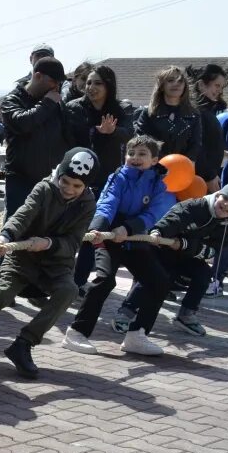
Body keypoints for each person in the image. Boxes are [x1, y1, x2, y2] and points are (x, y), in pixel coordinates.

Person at [0, 148, 98, 379]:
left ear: (86, 187)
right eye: (66, 181)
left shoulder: (88, 203)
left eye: (77, 186)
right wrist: (6, 236)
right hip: (23, 259)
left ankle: (24, 344)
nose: (69, 190)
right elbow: (24, 214)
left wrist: (48, 243)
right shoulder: (43, 189)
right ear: (59, 174)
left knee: (68, 290)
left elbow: (73, 242)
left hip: (56, 264)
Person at [63, 135, 174, 356]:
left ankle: (137, 335)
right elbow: (107, 202)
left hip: (134, 237)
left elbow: (156, 212)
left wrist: (130, 228)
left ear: (154, 160)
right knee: (105, 280)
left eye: (142, 154)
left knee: (159, 281)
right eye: (131, 153)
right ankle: (76, 332)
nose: (135, 158)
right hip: (109, 234)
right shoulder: (118, 177)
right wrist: (99, 228)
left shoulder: (159, 184)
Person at [143, 177, 228, 336]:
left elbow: (213, 252)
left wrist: (186, 245)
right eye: (226, 198)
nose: (227, 204)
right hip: (163, 252)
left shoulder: (226, 226)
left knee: (203, 274)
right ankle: (127, 311)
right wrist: (158, 232)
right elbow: (175, 218)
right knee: (158, 278)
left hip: (188, 256)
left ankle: (186, 314)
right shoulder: (195, 206)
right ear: (218, 194)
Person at [64, 65, 133, 291]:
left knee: (94, 230)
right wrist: (96, 133)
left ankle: (79, 281)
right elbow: (70, 139)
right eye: (89, 82)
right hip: (76, 177)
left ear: (109, 87)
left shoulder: (119, 109)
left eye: (98, 83)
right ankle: (58, 278)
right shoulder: (74, 108)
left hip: (107, 178)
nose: (91, 87)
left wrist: (111, 132)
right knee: (66, 228)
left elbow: (129, 134)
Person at [0, 56, 75, 218]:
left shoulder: (56, 103)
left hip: (51, 180)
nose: (56, 87)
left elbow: (68, 136)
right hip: (21, 180)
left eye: (59, 83)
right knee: (17, 229)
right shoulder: (12, 100)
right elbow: (23, 123)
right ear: (38, 76)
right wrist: (47, 103)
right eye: (53, 81)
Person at [133, 66, 203, 163]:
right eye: (170, 80)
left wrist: (188, 161)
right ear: (161, 86)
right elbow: (142, 141)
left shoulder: (193, 115)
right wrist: (164, 162)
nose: (176, 84)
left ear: (185, 86)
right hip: (154, 168)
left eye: (180, 81)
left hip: (182, 168)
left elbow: (195, 144)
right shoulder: (148, 113)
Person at [188, 62, 228, 191]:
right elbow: (197, 147)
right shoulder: (197, 112)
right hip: (201, 179)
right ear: (201, 85)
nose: (220, 90)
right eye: (217, 85)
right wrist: (210, 176)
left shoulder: (207, 110)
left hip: (208, 176)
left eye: (222, 87)